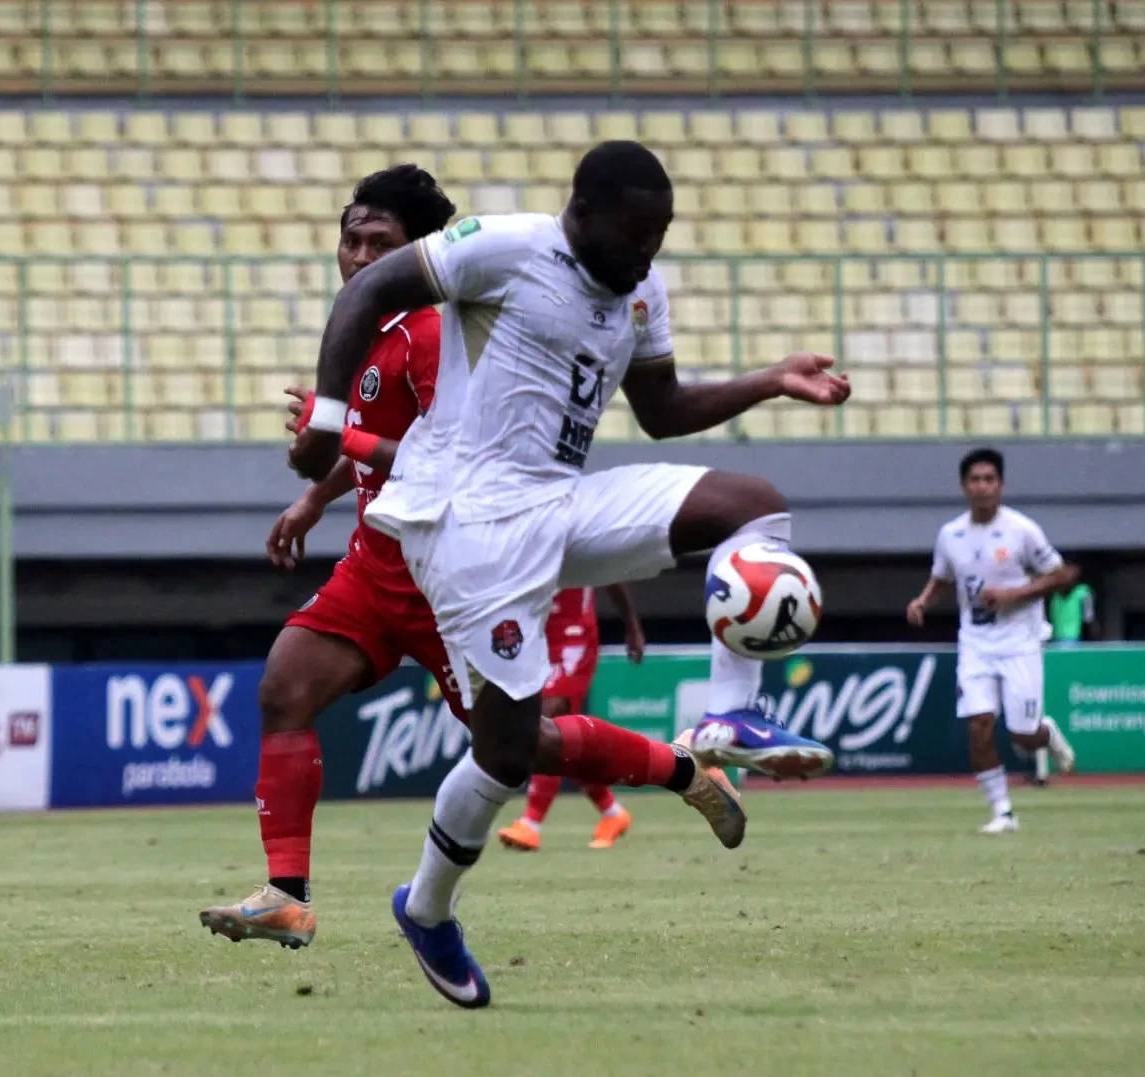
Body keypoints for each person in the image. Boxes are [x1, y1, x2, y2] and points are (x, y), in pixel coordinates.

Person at [288, 140, 848, 1008]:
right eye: (635, 235)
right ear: (579, 215)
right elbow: (368, 289)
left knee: (756, 503)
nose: (647, 253)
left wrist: (770, 379)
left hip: (559, 502)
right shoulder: (504, 247)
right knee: (507, 753)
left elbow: (660, 413)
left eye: (659, 236)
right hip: (469, 527)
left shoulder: (638, 287)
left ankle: (730, 715)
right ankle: (427, 907)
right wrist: (327, 421)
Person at [201, 163, 750, 954]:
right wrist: (316, 499)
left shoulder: (434, 332)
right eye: (349, 240)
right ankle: (287, 892)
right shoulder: (376, 332)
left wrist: (343, 439)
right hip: (374, 563)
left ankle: (683, 770)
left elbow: (441, 455)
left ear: (416, 249)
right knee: (284, 687)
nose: (357, 257)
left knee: (527, 745)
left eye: (377, 242)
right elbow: (378, 443)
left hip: (448, 570)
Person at [905, 447, 1080, 834]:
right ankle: (1002, 811)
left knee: (1022, 734)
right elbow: (943, 577)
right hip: (976, 643)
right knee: (979, 724)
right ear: (963, 486)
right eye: (975, 480)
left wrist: (1013, 595)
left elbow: (1065, 574)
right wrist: (923, 601)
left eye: (989, 479)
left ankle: (1046, 733)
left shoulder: (1022, 530)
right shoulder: (950, 534)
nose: (982, 487)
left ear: (1000, 485)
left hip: (1020, 642)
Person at [497, 586, 646, 851]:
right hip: (536, 638)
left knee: (548, 720)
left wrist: (631, 624)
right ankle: (612, 812)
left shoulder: (578, 544)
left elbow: (613, 574)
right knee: (567, 743)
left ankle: (531, 823)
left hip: (574, 636)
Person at [1033, 572, 1100, 785]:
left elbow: (1090, 621)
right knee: (1027, 725)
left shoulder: (1081, 593)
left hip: (1064, 648)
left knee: (1037, 719)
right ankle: (1043, 769)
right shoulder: (1049, 599)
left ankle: (1043, 772)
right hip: (1047, 650)